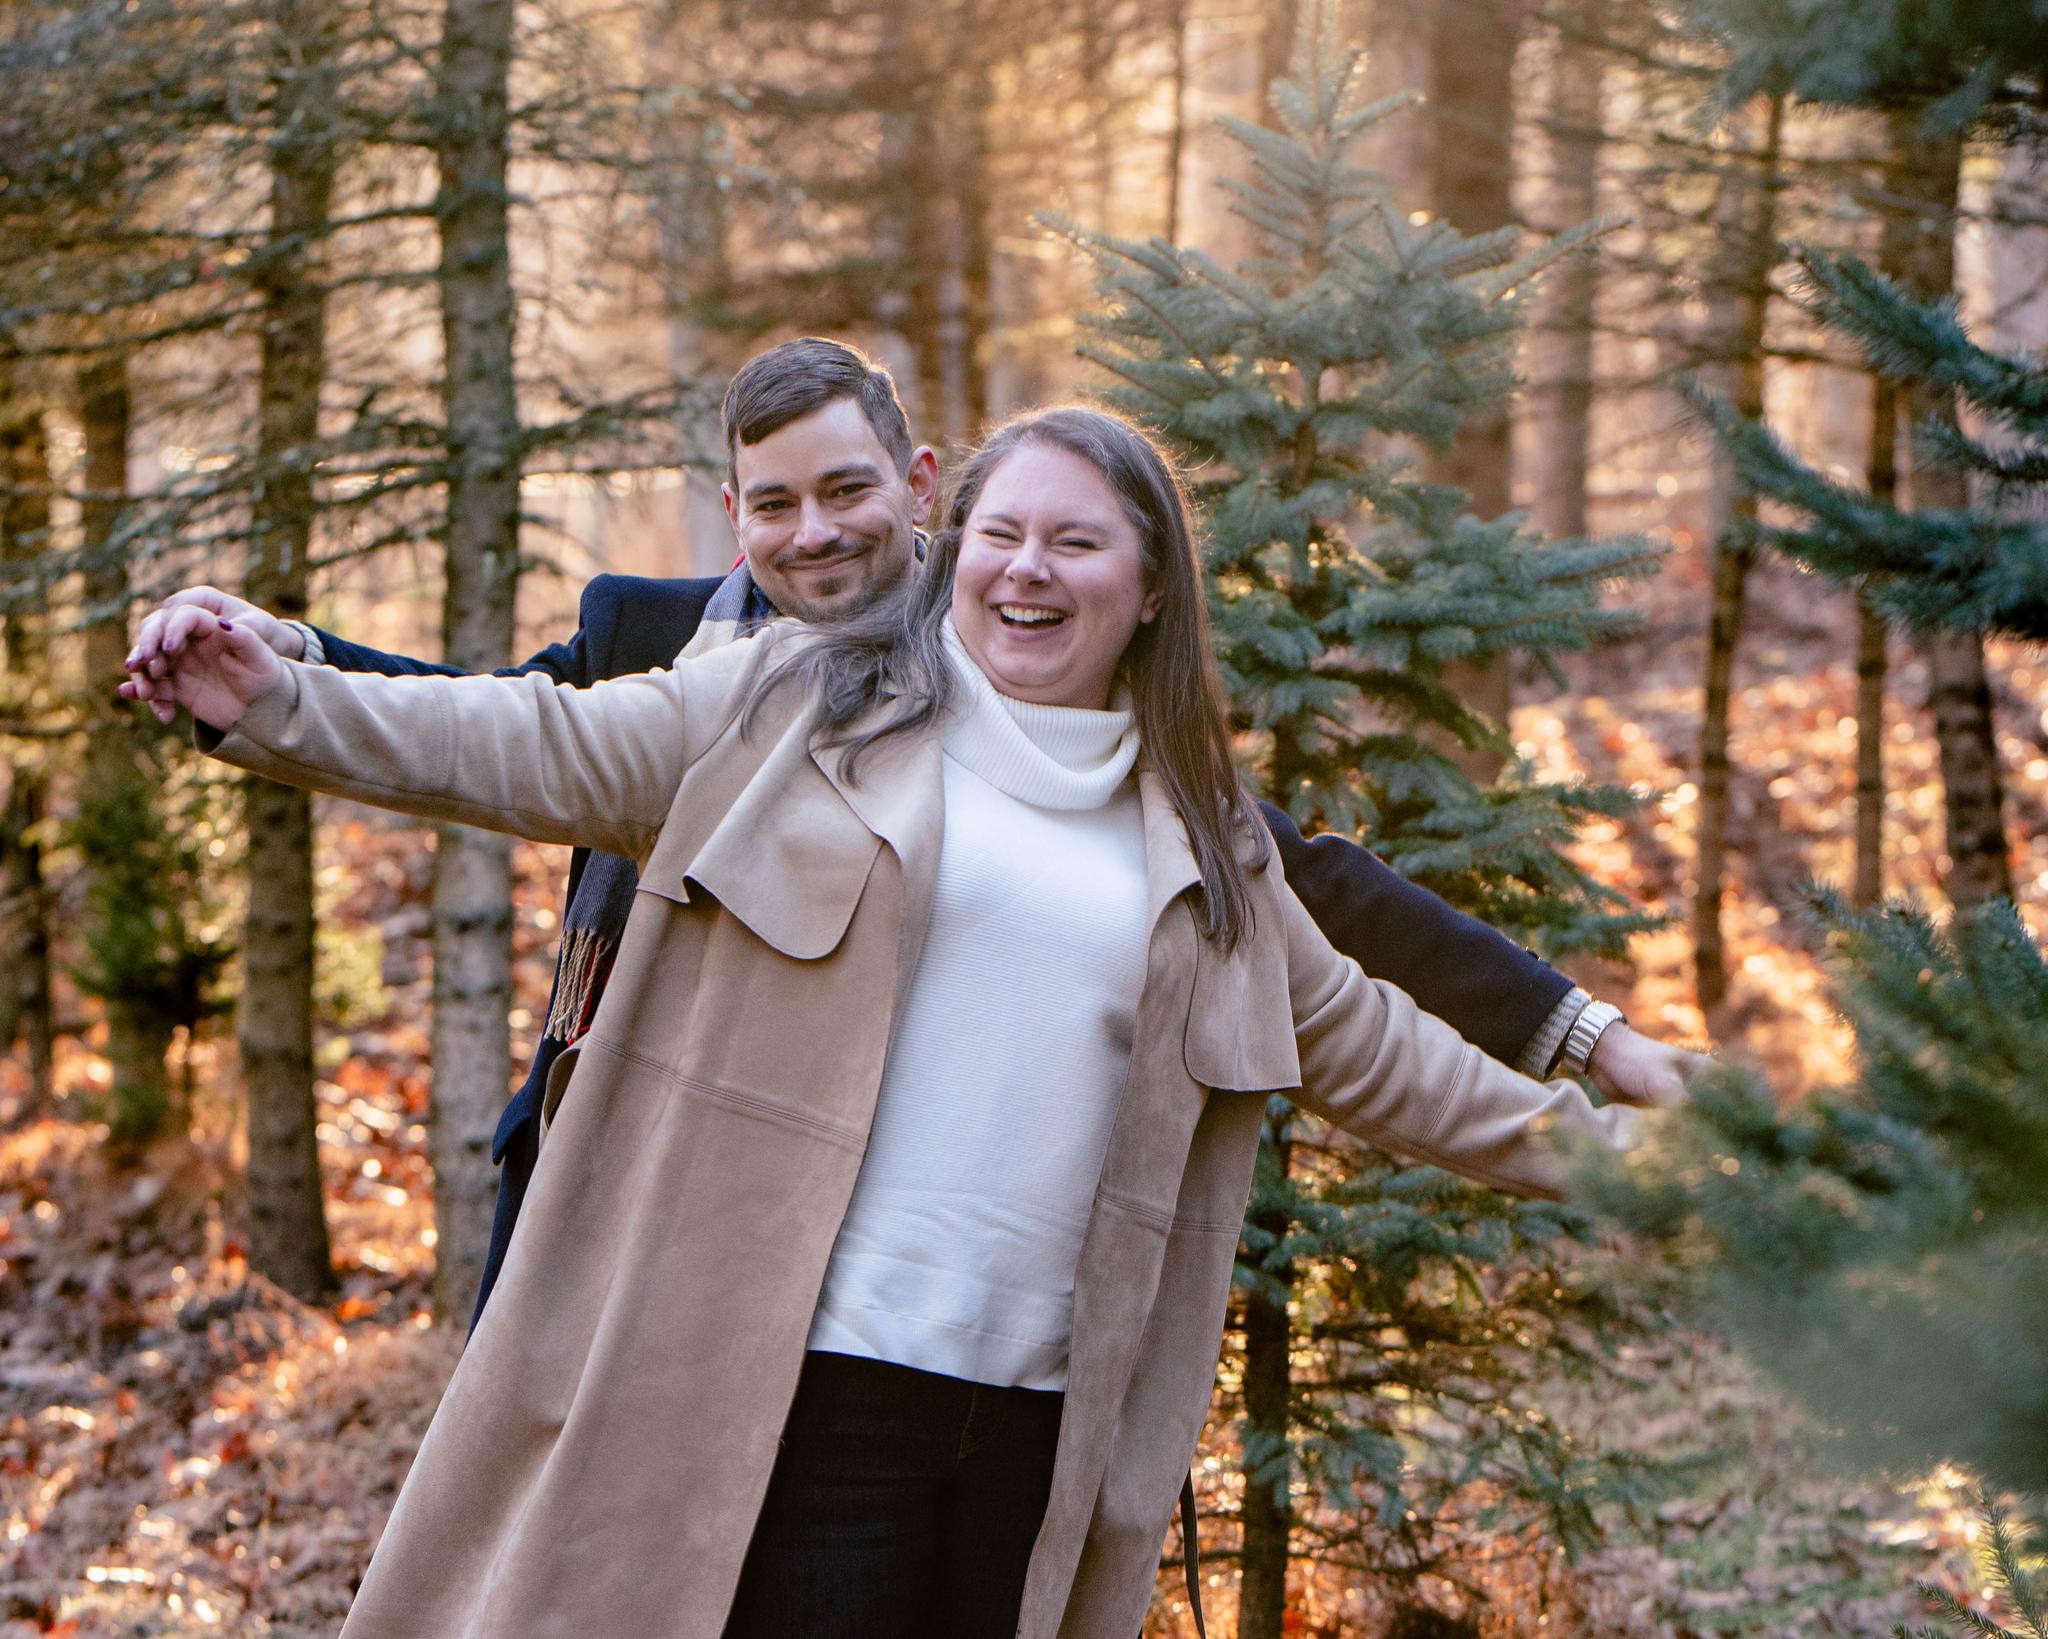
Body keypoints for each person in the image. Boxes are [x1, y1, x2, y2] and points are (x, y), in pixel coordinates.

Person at [129, 405, 1657, 1639]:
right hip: (810, 1394)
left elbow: (1392, 1058)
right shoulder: (786, 705)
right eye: (1001, 533)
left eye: (1077, 541)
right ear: (955, 546)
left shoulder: (1205, 849)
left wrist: (1655, 1156)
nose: (1028, 571)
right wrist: (278, 696)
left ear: (1148, 585)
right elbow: (516, 740)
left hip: (1038, 1429)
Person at [128, 339, 1691, 1330]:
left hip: (911, 1296)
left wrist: (1578, 1034)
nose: (816, 534)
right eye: (773, 504)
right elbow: (501, 734)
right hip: (621, 1178)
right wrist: (283, 671)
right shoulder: (671, 653)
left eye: (848, 493)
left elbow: (1308, 905)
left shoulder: (1058, 696)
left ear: (918, 489)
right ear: (734, 513)